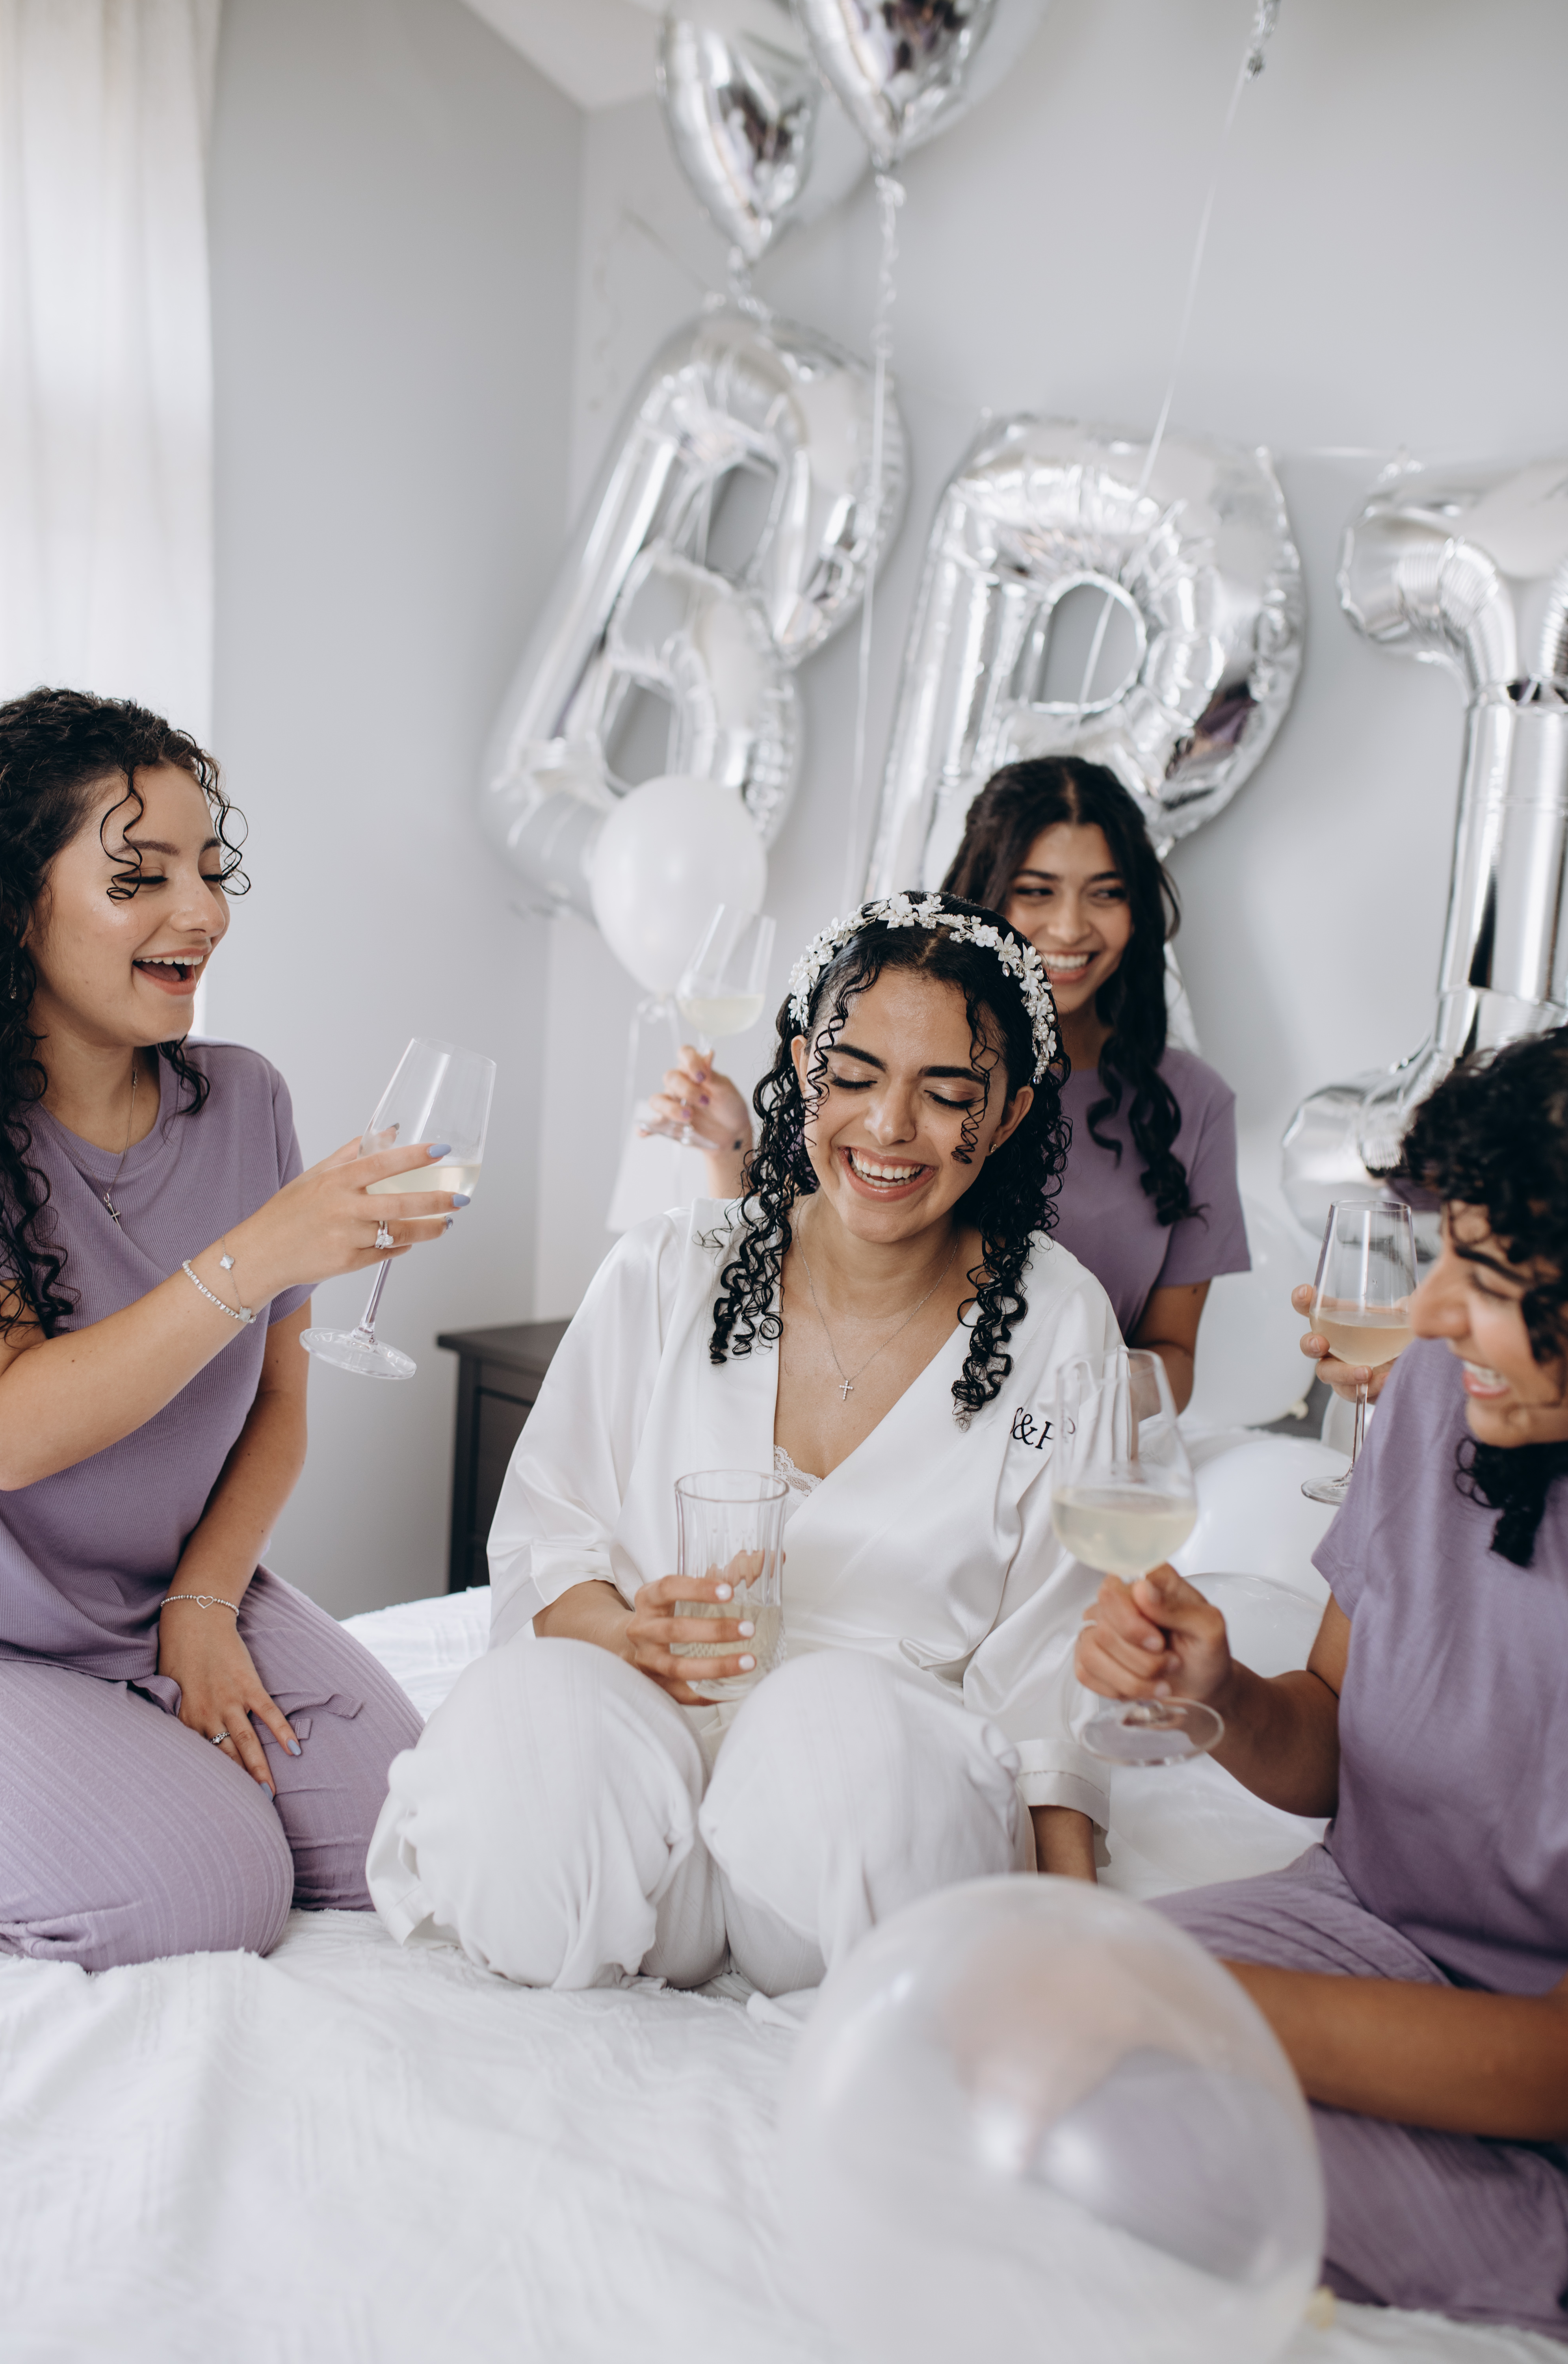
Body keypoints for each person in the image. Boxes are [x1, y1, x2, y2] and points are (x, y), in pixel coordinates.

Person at [368, 894, 1117, 1998]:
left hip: (855, 1835)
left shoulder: (1059, 1325)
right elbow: (547, 1540)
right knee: (521, 1718)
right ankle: (586, 1935)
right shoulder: (667, 1268)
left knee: (833, 1722)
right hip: (641, 1773)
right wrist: (626, 1633)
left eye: (947, 1094)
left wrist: (1082, 1947)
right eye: (851, 1075)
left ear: (1004, 1116)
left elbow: (1057, 1664)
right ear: (803, 1066)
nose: (887, 1126)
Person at [1076, 1027, 1568, 2338]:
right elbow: (1336, 1742)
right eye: (1444, 1254)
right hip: (1362, 1930)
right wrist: (1221, 1693)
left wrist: (1195, 2006)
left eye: (1490, 1276)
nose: (1430, 1313)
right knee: (1035, 2027)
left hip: (1537, 2061)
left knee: (1143, 2109)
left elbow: (1553, 2066)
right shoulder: (1435, 1399)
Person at [0, 688, 456, 1974]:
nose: (201, 913)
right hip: (3, 1629)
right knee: (213, 1891)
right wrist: (262, 1254)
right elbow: (12, 1432)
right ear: (17, 909)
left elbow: (280, 1406)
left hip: (166, 1591)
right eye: (139, 877)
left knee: (408, 1836)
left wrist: (204, 1601)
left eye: (209, 868)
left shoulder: (245, 1100)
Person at [656, 760, 1247, 1411]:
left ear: (1013, 1116)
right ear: (986, 891)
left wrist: (1046, 1389)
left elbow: (1173, 1358)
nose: (1071, 926)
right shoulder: (878, 1077)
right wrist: (732, 1145)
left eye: (1106, 893)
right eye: (1037, 890)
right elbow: (789, 1261)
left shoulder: (1195, 1103)